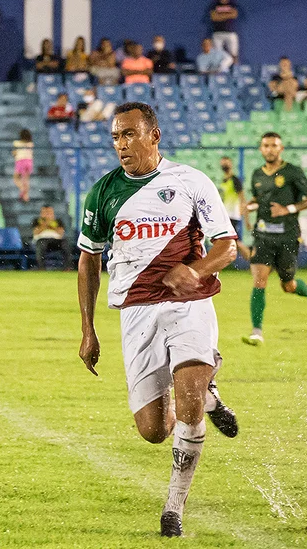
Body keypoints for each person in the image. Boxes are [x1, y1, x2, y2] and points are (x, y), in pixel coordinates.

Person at [77, 102, 239, 538]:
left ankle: (174, 506)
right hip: (136, 313)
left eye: (129, 134)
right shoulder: (102, 193)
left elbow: (227, 247)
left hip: (190, 303)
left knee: (186, 402)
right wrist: (88, 330)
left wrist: (196, 270)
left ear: (154, 136)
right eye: (115, 136)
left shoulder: (190, 181)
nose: (121, 144)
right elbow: (89, 260)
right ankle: (207, 386)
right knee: (152, 430)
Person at [242, 132, 307, 347]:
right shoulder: (257, 175)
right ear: (261, 149)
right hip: (263, 235)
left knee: (288, 285)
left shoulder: (293, 172)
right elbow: (260, 201)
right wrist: (249, 207)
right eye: (266, 145)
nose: (269, 149)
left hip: (287, 236)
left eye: (274, 145)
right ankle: (257, 331)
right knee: (259, 281)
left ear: (281, 148)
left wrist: (289, 209)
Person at [219, 156, 251, 261]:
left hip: (232, 215)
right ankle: (252, 261)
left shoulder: (235, 180)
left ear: (231, 164)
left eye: (226, 163)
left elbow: (242, 199)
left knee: (235, 241)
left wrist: (246, 218)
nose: (224, 165)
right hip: (226, 216)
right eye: (223, 163)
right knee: (233, 241)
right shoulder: (223, 181)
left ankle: (253, 260)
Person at [32, 206, 70, 270]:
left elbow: (61, 233)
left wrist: (52, 225)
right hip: (42, 240)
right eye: (45, 212)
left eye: (49, 212)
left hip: (56, 241)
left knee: (65, 243)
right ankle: (41, 268)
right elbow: (36, 232)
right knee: (40, 245)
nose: (47, 214)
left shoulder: (58, 221)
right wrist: (45, 224)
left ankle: (67, 267)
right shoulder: (37, 220)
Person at [209, 0, 240, 64]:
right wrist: (227, 15)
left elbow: (234, 15)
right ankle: (219, 71)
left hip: (230, 32)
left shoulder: (232, 5)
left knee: (234, 53)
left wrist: (220, 16)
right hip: (217, 32)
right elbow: (213, 17)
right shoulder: (215, 5)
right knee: (217, 55)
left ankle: (235, 70)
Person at [12, 128, 33, 202]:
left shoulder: (16, 143)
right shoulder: (31, 144)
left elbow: (14, 153)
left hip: (20, 161)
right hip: (29, 162)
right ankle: (26, 195)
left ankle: (22, 188)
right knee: (26, 180)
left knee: (16, 178)